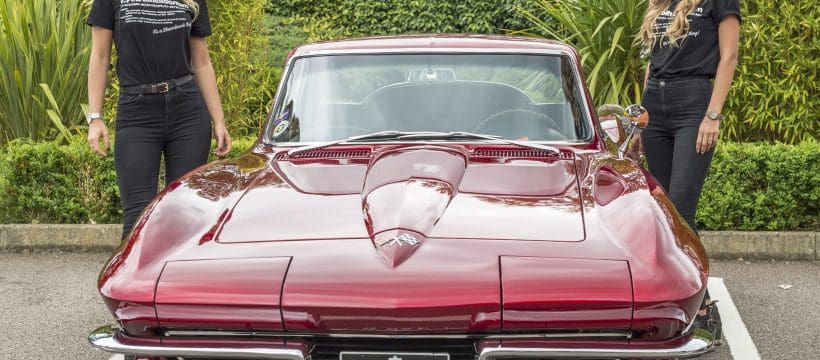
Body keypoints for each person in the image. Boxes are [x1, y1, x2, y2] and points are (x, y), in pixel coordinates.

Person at [85, 0, 232, 240]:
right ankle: (134, 278)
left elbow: (202, 62)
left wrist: (219, 120)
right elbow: (100, 57)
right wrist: (95, 117)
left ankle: (179, 278)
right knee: (137, 218)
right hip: (137, 112)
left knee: (184, 213)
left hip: (188, 112)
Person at [638, 0, 740, 235]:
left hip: (692, 102)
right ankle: (666, 273)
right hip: (654, 100)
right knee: (662, 211)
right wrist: (644, 118)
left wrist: (713, 116)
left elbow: (729, 57)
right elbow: (654, 62)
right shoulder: (661, 2)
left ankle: (691, 272)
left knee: (681, 213)